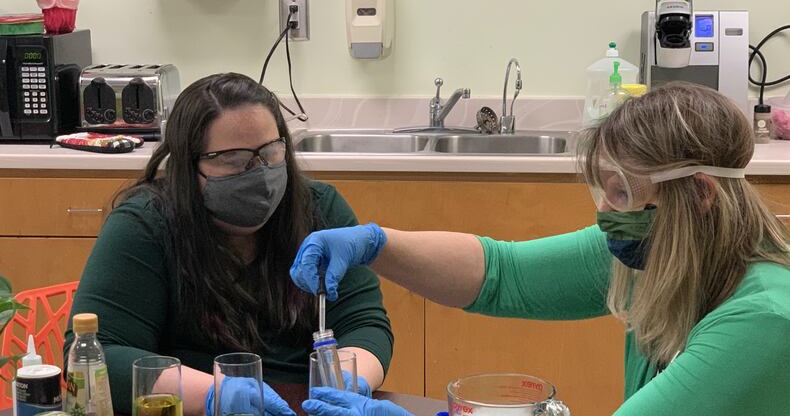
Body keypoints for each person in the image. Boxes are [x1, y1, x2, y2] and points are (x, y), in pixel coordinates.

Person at [290, 83, 790, 415]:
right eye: (603, 191)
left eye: (622, 192)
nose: (606, 213)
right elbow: (503, 275)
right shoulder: (661, 255)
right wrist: (375, 245)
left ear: (700, 195)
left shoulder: (763, 322)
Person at [64, 73, 393, 415]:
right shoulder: (145, 225)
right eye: (233, 160)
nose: (259, 172)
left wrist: (348, 382)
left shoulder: (319, 210)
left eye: (270, 152)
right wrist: (217, 394)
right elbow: (100, 354)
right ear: (188, 165)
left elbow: (363, 323)